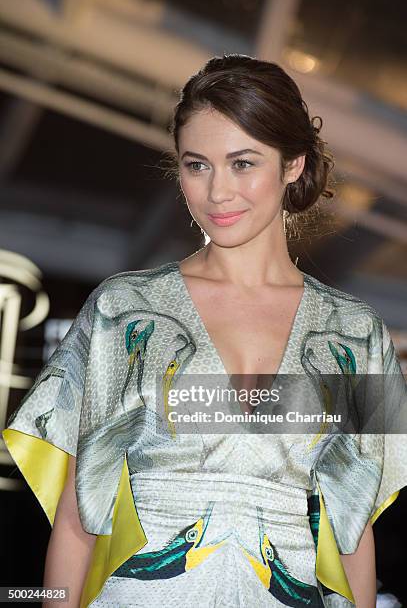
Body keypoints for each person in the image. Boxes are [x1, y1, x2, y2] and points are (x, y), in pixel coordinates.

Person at [2, 54, 407, 608]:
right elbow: (77, 519)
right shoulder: (124, 312)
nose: (217, 193)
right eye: (197, 165)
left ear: (293, 165)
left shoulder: (358, 336)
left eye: (242, 163)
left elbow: (354, 535)